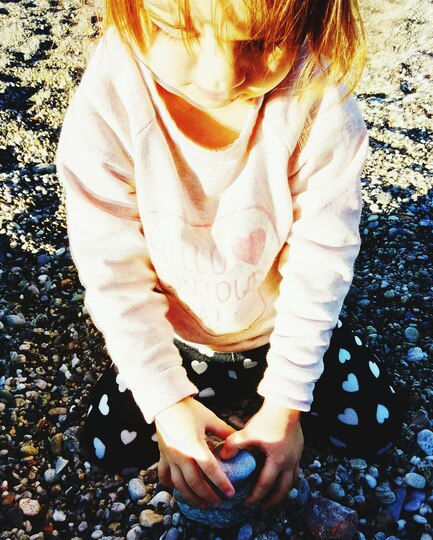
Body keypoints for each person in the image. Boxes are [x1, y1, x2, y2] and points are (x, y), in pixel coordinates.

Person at [56, 0, 405, 513]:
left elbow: (319, 264)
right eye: (175, 29)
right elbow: (113, 272)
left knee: (377, 427)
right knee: (108, 448)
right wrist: (169, 403)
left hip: (274, 324)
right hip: (178, 335)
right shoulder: (112, 97)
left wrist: (286, 404)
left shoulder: (315, 98)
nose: (220, 78)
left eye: (261, 43)